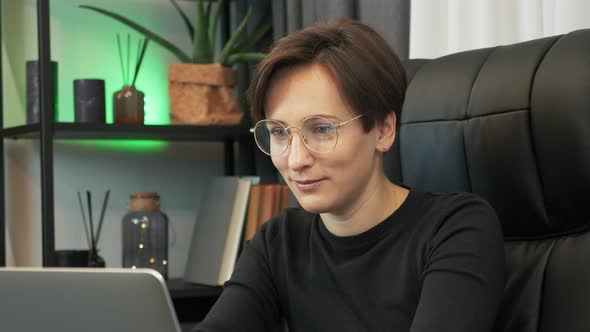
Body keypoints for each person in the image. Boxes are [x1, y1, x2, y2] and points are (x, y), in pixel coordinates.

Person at [193, 18, 504, 332]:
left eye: (322, 129)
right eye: (278, 132)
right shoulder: (278, 242)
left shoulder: (456, 228)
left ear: (383, 130)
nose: (296, 160)